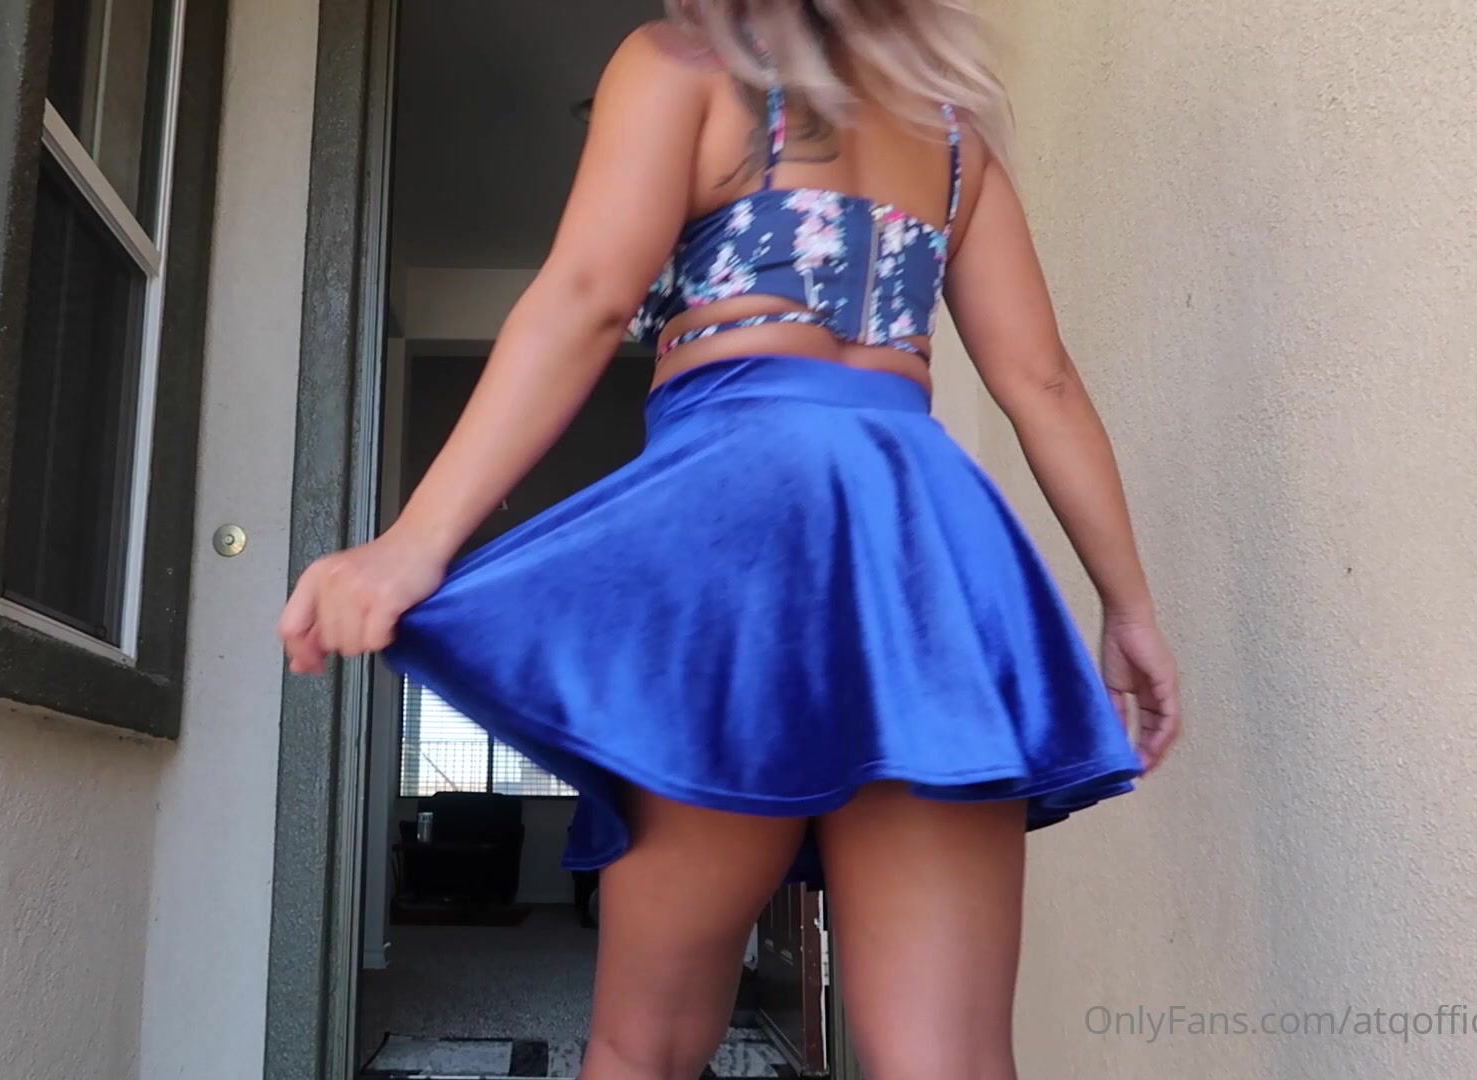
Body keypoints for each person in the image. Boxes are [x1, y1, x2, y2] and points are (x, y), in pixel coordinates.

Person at [281, 2, 1181, 1076]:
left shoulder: (679, 65)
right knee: (949, 1058)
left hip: (748, 537)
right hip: (924, 549)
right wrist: (1129, 607)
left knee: (646, 1045)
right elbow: (1043, 382)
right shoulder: (952, 129)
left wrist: (415, 541)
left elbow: (586, 296)